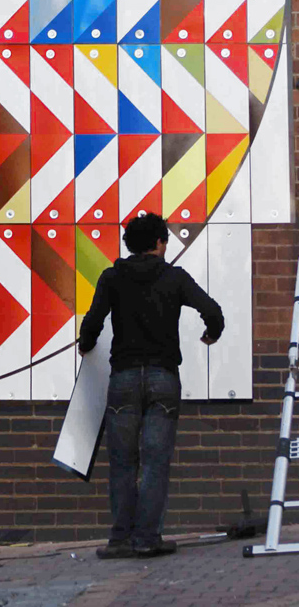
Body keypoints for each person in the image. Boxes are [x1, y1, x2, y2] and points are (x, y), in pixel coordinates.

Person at [77, 212, 225, 560]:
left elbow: (93, 320)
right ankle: (147, 539)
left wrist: (85, 344)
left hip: (124, 379)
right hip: (163, 378)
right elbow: (212, 311)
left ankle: (120, 540)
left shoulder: (112, 277)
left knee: (123, 462)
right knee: (156, 462)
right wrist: (211, 334)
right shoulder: (173, 277)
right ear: (159, 243)